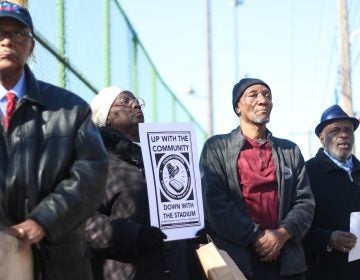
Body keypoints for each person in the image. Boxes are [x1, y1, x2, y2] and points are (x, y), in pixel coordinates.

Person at [0, 1, 109, 279]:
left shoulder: (70, 108)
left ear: (31, 46)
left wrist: (42, 221)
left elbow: (91, 173)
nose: (7, 40)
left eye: (18, 33)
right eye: (0, 32)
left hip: (59, 262)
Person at [199, 78, 315, 279]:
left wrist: (282, 233)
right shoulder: (216, 147)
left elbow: (305, 202)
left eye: (268, 96)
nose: (263, 100)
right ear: (237, 107)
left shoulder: (290, 150)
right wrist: (256, 236)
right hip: (236, 264)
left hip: (287, 263)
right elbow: (215, 204)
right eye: (253, 94)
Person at [86, 86, 203, 280]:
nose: (135, 104)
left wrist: (197, 225)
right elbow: (80, 222)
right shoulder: (93, 159)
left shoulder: (161, 158)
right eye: (124, 100)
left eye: (136, 100)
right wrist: (135, 235)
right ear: (106, 116)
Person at [304, 104, 360, 279]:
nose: (343, 134)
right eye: (335, 130)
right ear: (322, 138)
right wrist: (327, 238)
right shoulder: (307, 172)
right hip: (324, 270)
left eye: (348, 130)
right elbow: (295, 224)